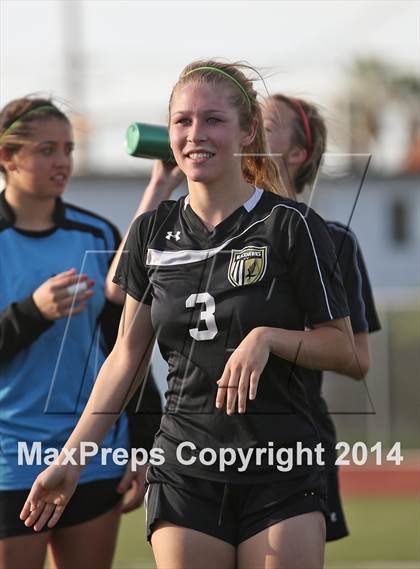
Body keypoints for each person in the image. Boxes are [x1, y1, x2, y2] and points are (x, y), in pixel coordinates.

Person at [21, 61, 358, 569]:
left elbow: (346, 349)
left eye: (213, 120)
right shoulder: (151, 231)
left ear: (247, 131)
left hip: (283, 466)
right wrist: (71, 460)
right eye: (182, 121)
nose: (195, 134)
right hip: (187, 464)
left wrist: (269, 337)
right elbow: (125, 360)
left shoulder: (292, 226)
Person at [0, 97, 161, 569]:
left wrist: (143, 442)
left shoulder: (97, 235)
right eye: (47, 149)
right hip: (11, 460)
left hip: (93, 454)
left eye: (68, 149)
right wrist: (32, 312)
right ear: (7, 158)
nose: (63, 162)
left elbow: (125, 347)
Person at [262, 93, 381, 540]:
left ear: (297, 154)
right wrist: (159, 185)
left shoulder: (333, 241)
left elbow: (358, 359)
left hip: (294, 441)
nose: (249, 128)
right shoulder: (201, 230)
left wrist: (272, 338)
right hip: (207, 447)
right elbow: (121, 291)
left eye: (266, 123)